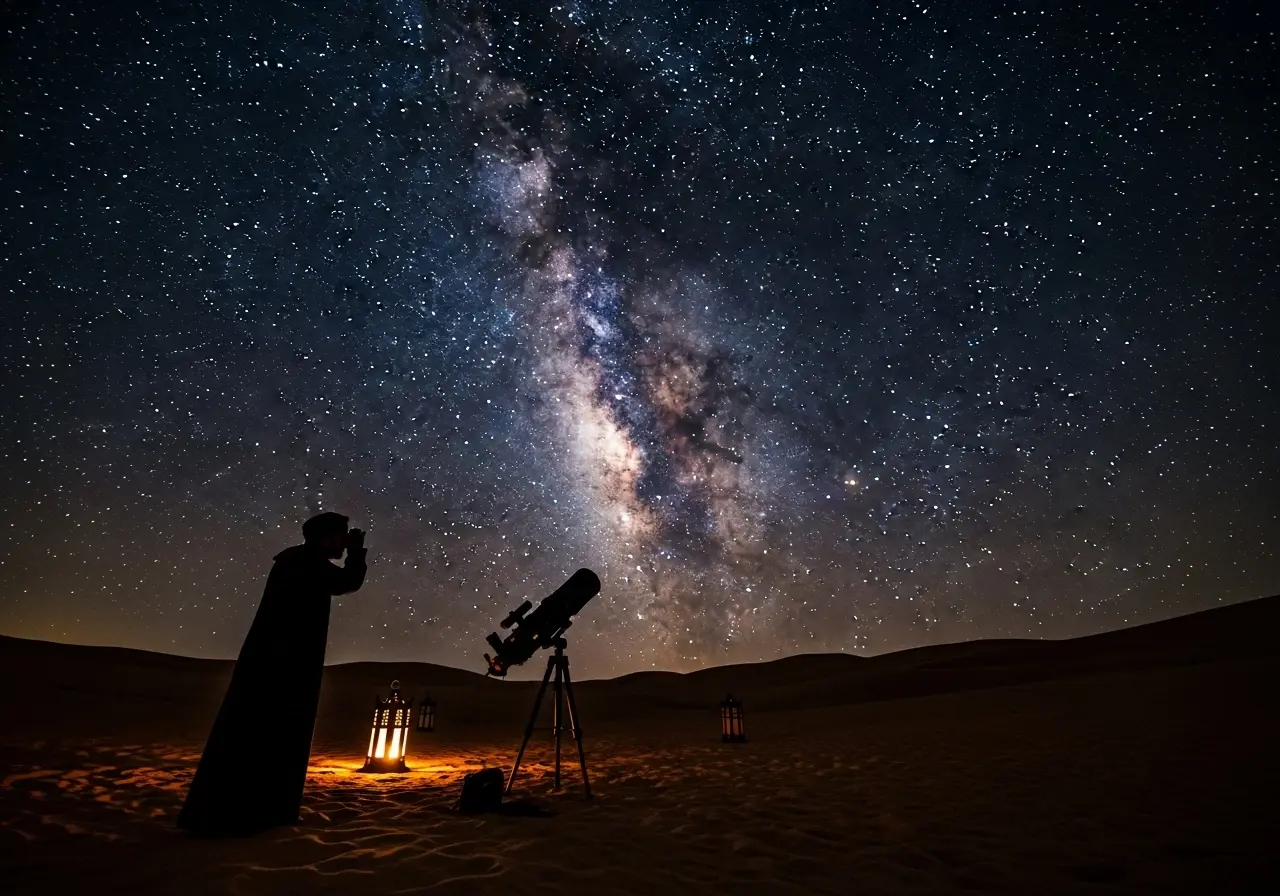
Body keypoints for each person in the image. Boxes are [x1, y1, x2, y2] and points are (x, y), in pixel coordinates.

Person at [177, 512, 368, 837]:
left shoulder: (297, 560)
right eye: (340, 535)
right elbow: (347, 583)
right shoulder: (306, 562)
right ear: (325, 537)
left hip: (275, 661)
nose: (343, 540)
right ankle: (254, 813)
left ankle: (241, 811)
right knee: (272, 734)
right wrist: (357, 553)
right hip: (285, 665)